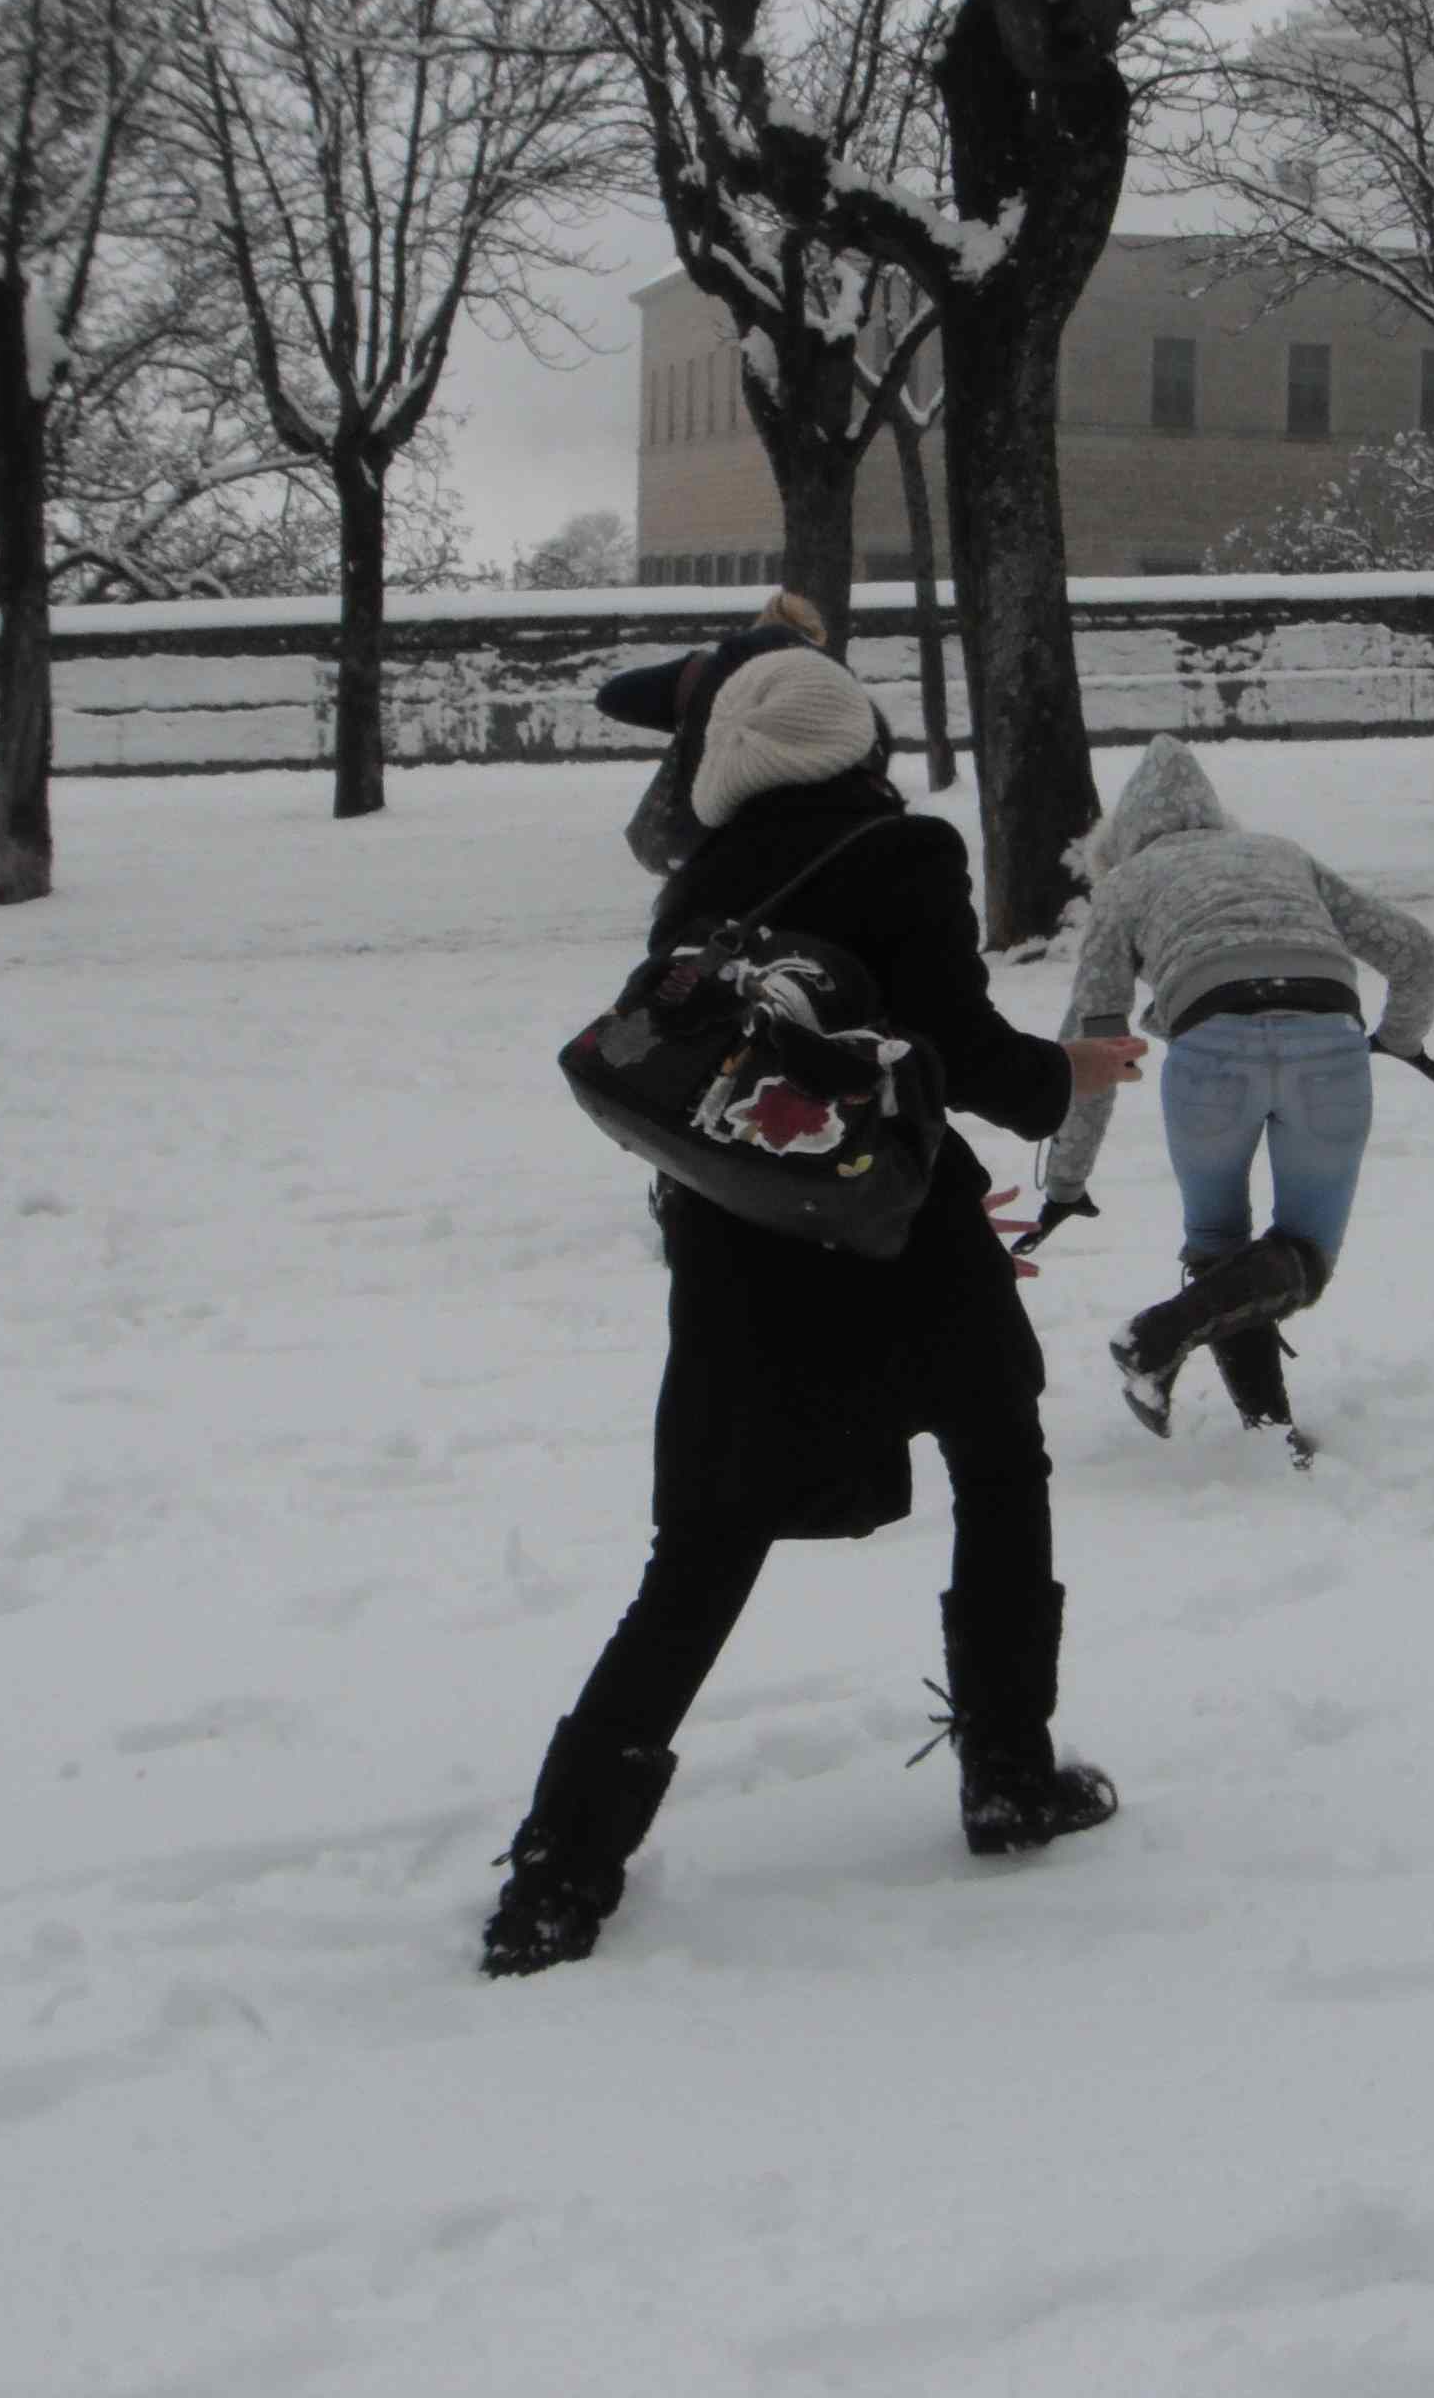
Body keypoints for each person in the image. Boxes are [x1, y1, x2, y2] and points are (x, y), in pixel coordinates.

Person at [483, 648, 1148, 1977]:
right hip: (902, 1236)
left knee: (703, 1551)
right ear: (860, 746)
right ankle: (1010, 1772)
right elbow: (950, 1041)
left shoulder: (702, 879)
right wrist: (1064, 1075)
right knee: (1001, 1470)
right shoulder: (906, 849)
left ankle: (559, 1875)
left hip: (742, 1252)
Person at [1016, 736, 1434, 1462]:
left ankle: (1192, 1367)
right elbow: (1416, 952)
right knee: (1301, 1257)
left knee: (1219, 1247)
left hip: (1211, 1055)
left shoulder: (1122, 884)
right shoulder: (1281, 855)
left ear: (1117, 840)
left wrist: (1065, 1181)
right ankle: (1255, 1422)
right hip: (1327, 1043)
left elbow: (1095, 1046)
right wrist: (1399, 1038)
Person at [598, 589, 832, 879]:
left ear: (757, 626)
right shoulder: (833, 692)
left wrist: (693, 713)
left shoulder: (706, 674)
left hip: (706, 845)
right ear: (815, 638)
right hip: (804, 851)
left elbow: (613, 696)